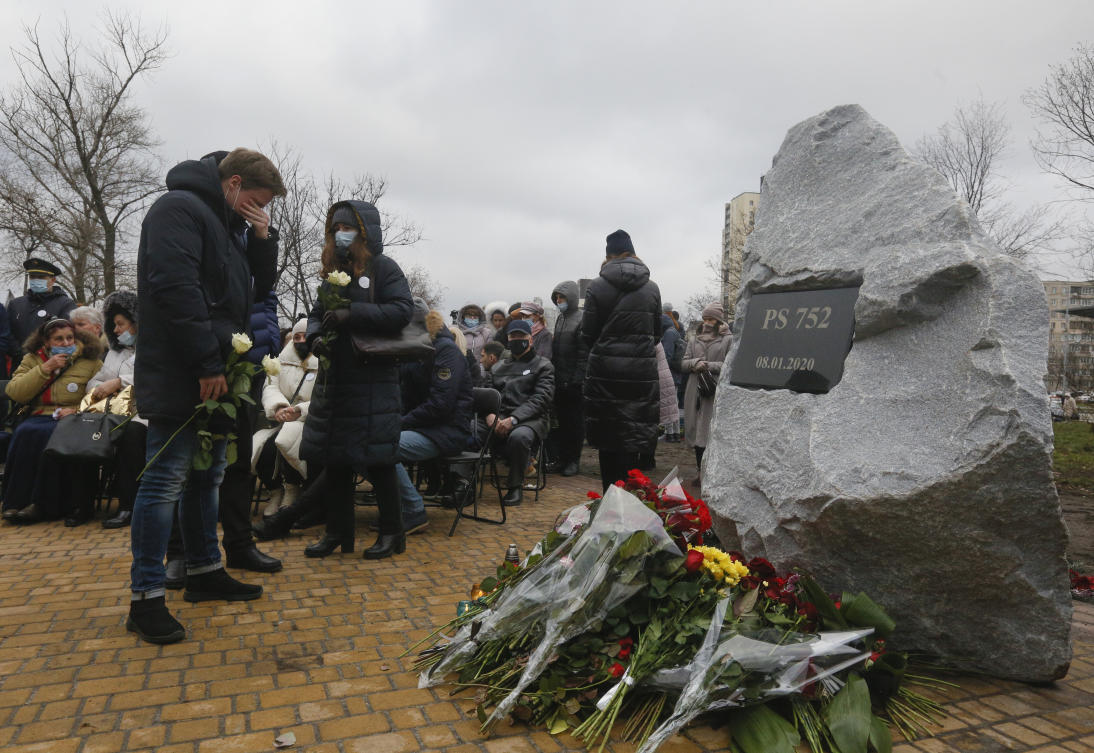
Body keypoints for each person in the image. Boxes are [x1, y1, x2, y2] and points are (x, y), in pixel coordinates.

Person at [128, 147, 285, 645]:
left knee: (207, 476)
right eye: (257, 200)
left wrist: (261, 236)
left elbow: (256, 290)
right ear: (233, 183)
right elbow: (176, 289)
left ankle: (204, 570)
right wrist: (206, 363)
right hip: (185, 371)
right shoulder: (178, 209)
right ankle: (146, 598)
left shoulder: (228, 225)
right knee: (164, 482)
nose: (259, 210)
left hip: (218, 370)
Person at [300, 200, 412, 560]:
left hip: (372, 381)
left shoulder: (384, 268)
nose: (340, 234)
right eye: (335, 229)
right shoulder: (335, 271)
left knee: (379, 461)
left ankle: (393, 533)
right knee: (334, 460)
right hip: (335, 381)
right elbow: (316, 313)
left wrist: (352, 313)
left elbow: (402, 310)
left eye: (347, 228)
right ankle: (337, 533)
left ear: (364, 232)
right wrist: (315, 337)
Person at [1, 318, 102, 524]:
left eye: (70, 338)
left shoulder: (90, 361)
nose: (66, 343)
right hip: (41, 413)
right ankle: (16, 502)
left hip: (76, 416)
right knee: (25, 433)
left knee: (51, 434)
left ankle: (41, 505)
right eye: (59, 339)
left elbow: (99, 396)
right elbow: (15, 391)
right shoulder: (32, 359)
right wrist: (44, 369)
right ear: (46, 342)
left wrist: (77, 410)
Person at [582, 229, 661, 491]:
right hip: (640, 373)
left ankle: (609, 499)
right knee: (633, 437)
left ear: (609, 256)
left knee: (608, 440)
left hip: (605, 373)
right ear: (633, 253)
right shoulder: (651, 288)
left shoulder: (596, 286)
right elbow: (656, 334)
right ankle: (630, 501)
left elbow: (588, 334)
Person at [391, 304, 473, 531]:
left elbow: (440, 405)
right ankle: (395, 507)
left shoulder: (446, 351)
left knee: (382, 447)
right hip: (422, 428)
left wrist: (401, 422)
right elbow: (403, 396)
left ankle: (412, 509)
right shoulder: (415, 351)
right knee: (362, 445)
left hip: (447, 431)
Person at [85, 291, 145, 529]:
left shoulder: (153, 348)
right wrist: (99, 389)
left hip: (143, 414)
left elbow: (154, 377)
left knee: (130, 434)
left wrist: (120, 382)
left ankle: (128, 506)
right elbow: (98, 379)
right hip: (113, 411)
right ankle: (81, 504)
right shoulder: (115, 352)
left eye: (121, 324)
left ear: (136, 322)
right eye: (114, 325)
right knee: (86, 430)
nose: (116, 330)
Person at [483, 319, 555, 506]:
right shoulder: (497, 367)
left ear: (530, 339)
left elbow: (541, 399)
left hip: (530, 419)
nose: (516, 339)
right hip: (499, 417)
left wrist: (514, 419)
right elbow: (488, 394)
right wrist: (490, 414)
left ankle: (515, 487)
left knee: (519, 437)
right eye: (512, 336)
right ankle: (462, 483)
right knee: (470, 428)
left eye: (520, 336)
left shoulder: (543, 365)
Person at [253, 317, 319, 519]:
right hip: (280, 419)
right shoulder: (280, 362)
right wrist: (279, 407)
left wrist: (299, 410)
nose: (301, 340)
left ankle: (292, 489)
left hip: (309, 422)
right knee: (260, 447)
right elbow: (270, 387)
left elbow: (324, 397)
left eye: (305, 336)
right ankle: (275, 491)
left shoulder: (324, 363)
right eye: (296, 337)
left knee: (286, 441)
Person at [683, 303, 732, 485]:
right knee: (696, 430)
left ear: (718, 320)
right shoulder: (694, 339)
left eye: (711, 319)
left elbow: (730, 364)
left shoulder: (728, 339)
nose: (707, 323)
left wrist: (709, 365)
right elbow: (684, 362)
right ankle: (699, 471)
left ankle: (712, 472)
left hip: (714, 389)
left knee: (710, 431)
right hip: (695, 388)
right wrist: (695, 363)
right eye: (705, 319)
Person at [6, 258, 75, 366]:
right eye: (32, 277)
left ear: (53, 280)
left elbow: (67, 335)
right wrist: (20, 353)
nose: (36, 280)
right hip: (19, 364)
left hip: (51, 364)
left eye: (41, 277)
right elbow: (7, 333)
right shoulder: (15, 304)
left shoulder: (66, 304)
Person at [549, 280, 587, 476]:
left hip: (573, 382)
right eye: (556, 298)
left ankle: (573, 460)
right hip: (559, 379)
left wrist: (577, 379)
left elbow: (583, 353)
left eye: (562, 297)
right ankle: (563, 459)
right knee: (563, 423)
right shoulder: (560, 318)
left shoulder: (581, 319)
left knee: (575, 424)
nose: (558, 300)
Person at [660, 308, 685, 443]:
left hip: (670, 373)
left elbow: (667, 355)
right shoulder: (674, 331)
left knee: (669, 403)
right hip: (676, 373)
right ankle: (675, 433)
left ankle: (669, 433)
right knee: (673, 403)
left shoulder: (668, 334)